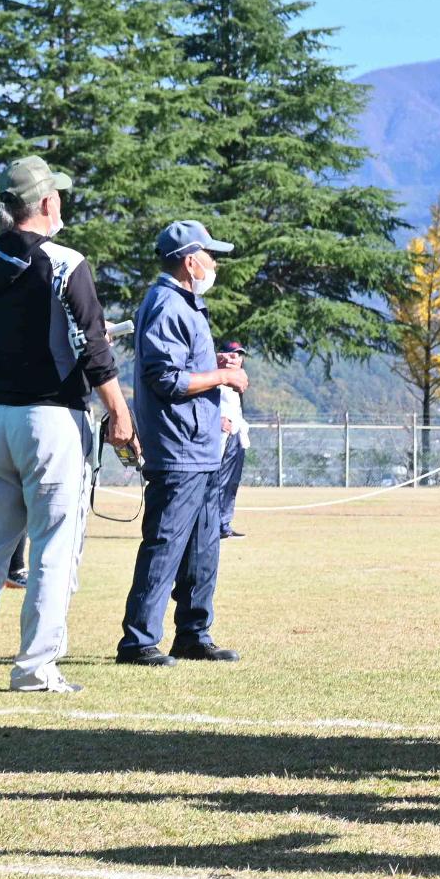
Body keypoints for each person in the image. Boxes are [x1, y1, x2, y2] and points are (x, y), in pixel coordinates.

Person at [0, 157, 135, 694]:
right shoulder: (67, 260)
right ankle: (34, 668)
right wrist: (119, 410)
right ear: (47, 202)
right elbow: (93, 346)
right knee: (53, 545)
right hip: (50, 417)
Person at [117, 221, 247, 667]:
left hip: (203, 447)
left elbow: (184, 365)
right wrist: (225, 375)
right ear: (190, 261)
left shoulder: (187, 305)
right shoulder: (167, 305)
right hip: (179, 449)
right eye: (210, 256)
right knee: (166, 543)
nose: (214, 264)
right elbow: (165, 378)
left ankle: (193, 633)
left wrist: (215, 362)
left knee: (203, 546)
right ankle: (137, 641)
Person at [215, 340, 249, 539]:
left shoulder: (238, 381)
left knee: (232, 482)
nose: (236, 358)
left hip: (237, 433)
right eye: (233, 354)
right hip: (222, 436)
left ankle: (224, 523)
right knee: (219, 480)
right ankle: (214, 524)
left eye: (239, 354)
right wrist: (216, 420)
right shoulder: (216, 377)